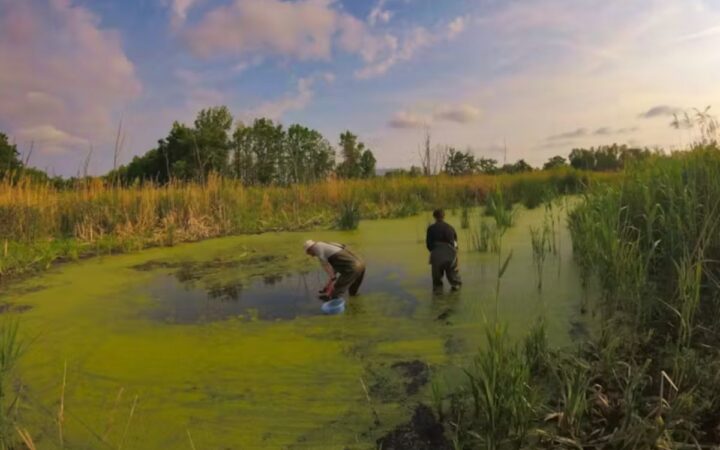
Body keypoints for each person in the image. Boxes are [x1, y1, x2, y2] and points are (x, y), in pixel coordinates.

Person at [426, 209, 462, 292]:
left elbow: (428, 245)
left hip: (437, 255)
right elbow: (455, 244)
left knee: (437, 283)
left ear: (434, 217)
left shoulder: (431, 229)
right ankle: (454, 297)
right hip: (450, 255)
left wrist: (435, 252)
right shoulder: (450, 228)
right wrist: (455, 255)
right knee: (455, 282)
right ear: (444, 216)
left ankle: (439, 298)